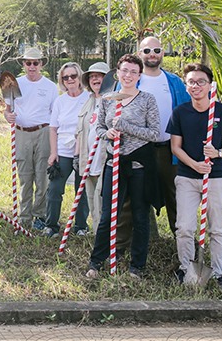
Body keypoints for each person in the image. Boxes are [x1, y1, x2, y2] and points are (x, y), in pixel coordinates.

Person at [86, 54, 161, 279]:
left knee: (140, 215)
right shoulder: (107, 99)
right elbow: (99, 128)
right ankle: (96, 261)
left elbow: (155, 134)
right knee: (109, 213)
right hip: (114, 161)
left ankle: (137, 265)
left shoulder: (147, 99)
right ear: (117, 73)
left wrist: (127, 126)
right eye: (124, 70)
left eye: (133, 72)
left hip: (139, 165)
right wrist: (107, 133)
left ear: (139, 76)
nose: (128, 75)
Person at [168, 63, 222, 288]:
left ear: (209, 85)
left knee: (217, 227)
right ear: (186, 86)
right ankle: (186, 269)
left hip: (216, 176)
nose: (196, 85)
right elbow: (175, 147)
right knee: (184, 227)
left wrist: (216, 153)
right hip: (187, 176)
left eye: (201, 81)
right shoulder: (180, 112)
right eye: (191, 82)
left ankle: (218, 273)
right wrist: (195, 164)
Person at [136, 35, 190, 236]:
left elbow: (189, 108)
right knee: (139, 195)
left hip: (169, 149)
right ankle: (144, 240)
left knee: (175, 195)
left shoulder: (174, 81)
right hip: (139, 149)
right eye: (147, 51)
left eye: (156, 51)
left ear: (163, 53)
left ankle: (182, 243)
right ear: (139, 53)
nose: (152, 55)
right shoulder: (133, 79)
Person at [3, 47, 57, 230]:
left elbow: (54, 114)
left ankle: (39, 216)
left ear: (41, 64)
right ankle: (24, 216)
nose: (32, 66)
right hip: (21, 133)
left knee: (42, 176)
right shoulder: (14, 84)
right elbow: (8, 110)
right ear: (23, 65)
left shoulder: (50, 86)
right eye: (28, 63)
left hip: (43, 132)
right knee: (25, 176)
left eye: (35, 63)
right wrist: (7, 116)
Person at [44, 62, 90, 237]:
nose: (70, 79)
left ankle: (81, 226)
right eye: (66, 77)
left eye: (73, 76)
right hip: (63, 150)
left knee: (82, 189)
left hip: (83, 150)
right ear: (62, 80)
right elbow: (53, 128)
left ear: (79, 77)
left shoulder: (88, 98)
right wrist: (53, 152)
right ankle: (52, 225)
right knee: (55, 189)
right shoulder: (60, 101)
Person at [75, 62, 110, 233]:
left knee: (102, 200)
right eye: (92, 76)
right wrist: (76, 157)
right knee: (91, 200)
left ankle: (105, 237)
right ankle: (97, 235)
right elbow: (80, 133)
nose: (95, 79)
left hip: (105, 160)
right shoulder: (88, 102)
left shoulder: (112, 101)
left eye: (99, 75)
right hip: (87, 161)